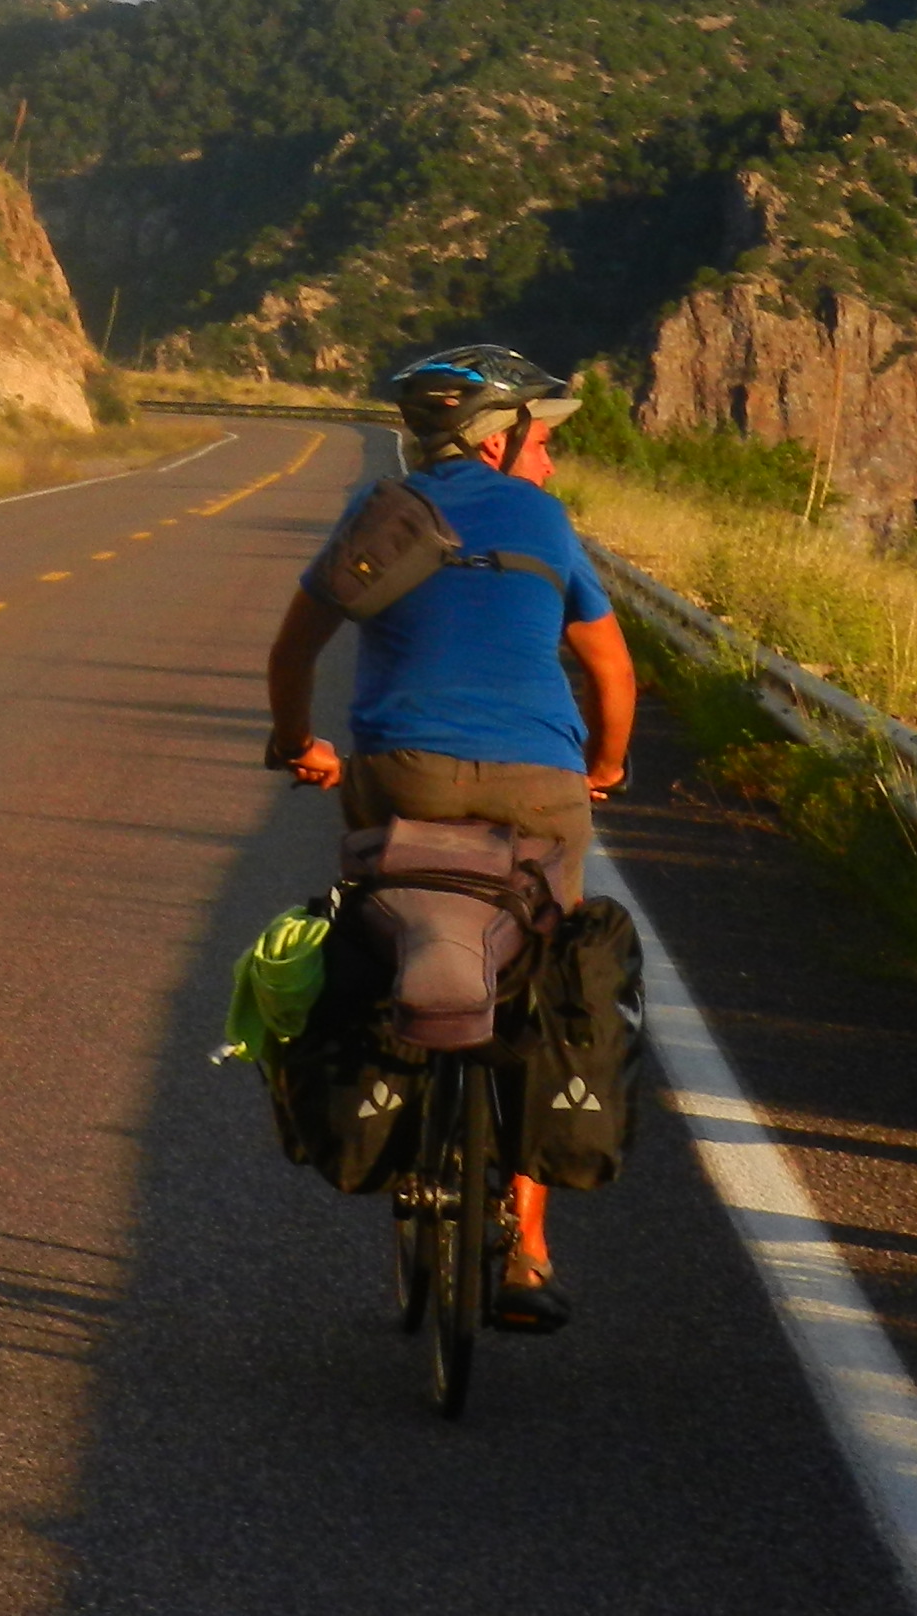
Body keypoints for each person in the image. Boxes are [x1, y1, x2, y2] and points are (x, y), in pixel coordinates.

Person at [262, 344, 637, 1333]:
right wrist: (603, 767)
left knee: (386, 916)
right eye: (544, 441)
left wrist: (297, 744)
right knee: (544, 972)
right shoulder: (542, 519)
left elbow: (295, 648)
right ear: (499, 438)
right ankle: (526, 1250)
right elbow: (609, 672)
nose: (549, 461)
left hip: (396, 770)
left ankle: (391, 1080)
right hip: (537, 787)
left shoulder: (375, 516)